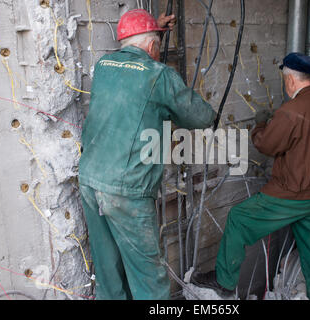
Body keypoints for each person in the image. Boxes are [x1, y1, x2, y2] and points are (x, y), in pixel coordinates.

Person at [78, 9, 216, 300]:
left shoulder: (104, 65)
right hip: (127, 190)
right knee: (149, 281)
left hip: (90, 181)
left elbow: (135, 63)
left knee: (109, 275)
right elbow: (200, 117)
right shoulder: (159, 75)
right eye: (157, 46)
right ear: (154, 47)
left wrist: (155, 29)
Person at [191, 52, 310, 300]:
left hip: (292, 195)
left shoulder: (293, 110)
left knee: (239, 219)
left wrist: (261, 124)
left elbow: (266, 145)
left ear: (291, 80)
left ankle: (224, 282)